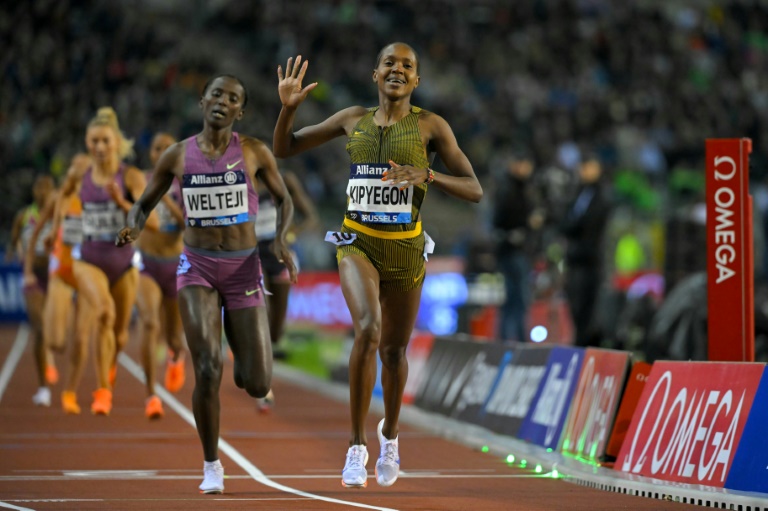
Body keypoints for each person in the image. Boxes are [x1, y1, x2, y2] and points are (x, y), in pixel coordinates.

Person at [273, 44, 482, 488]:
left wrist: (427, 175)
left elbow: (474, 188)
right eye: (390, 63)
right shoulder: (352, 118)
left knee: (393, 351)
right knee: (367, 330)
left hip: (406, 249)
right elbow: (285, 148)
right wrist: (288, 109)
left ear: (417, 81)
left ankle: (389, 435)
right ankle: (356, 446)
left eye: (408, 65)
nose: (398, 70)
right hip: (357, 242)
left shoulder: (430, 126)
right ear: (375, 74)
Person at [117, 74, 296, 495]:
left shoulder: (253, 151)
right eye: (216, 93)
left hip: (243, 270)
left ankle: (242, 350)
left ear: (240, 111)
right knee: (208, 366)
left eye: (232, 98)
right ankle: (212, 464)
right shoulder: (178, 157)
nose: (222, 101)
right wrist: (133, 227)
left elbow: (285, 199)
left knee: (256, 381)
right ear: (203, 101)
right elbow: (143, 204)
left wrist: (283, 240)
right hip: (196, 268)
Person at [58, 107, 157, 416]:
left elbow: (148, 222)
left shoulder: (130, 176)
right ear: (87, 142)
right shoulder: (80, 173)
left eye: (104, 141)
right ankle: (103, 391)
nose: (98, 148)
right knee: (103, 312)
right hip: (88, 260)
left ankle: (108, 368)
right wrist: (59, 227)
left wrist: (120, 202)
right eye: (93, 141)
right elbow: (63, 196)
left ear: (117, 143)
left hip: (124, 263)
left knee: (120, 333)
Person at [23, 154, 95, 414]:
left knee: (81, 336)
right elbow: (32, 240)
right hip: (59, 271)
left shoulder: (98, 198)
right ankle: (48, 369)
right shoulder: (59, 198)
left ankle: (69, 392)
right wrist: (29, 270)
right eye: (77, 169)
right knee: (53, 339)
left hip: (86, 272)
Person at [253, 168, 319, 412]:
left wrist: (289, 235)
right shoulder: (241, 181)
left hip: (281, 254)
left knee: (276, 328)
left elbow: (310, 216)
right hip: (253, 254)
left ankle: (261, 356)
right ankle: (263, 385)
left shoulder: (286, 180)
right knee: (260, 311)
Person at [135, 132, 187, 420]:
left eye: (169, 148)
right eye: (158, 148)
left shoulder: (187, 182)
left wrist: (165, 201)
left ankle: (176, 355)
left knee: (174, 338)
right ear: (152, 154)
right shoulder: (140, 180)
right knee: (149, 321)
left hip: (175, 263)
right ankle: (150, 395)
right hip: (147, 262)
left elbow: (185, 225)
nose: (163, 152)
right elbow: (134, 213)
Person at [9, 174, 57, 406]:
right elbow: (14, 237)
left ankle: (50, 355)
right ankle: (43, 388)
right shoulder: (24, 216)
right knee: (39, 328)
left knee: (57, 333)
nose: (42, 193)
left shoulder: (60, 214)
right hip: (33, 276)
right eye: (39, 189)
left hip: (56, 276)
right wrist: (14, 250)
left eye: (47, 189)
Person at [491, 151, 544, 343]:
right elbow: (502, 219)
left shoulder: (520, 188)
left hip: (514, 251)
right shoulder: (512, 189)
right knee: (518, 298)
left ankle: (507, 339)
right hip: (513, 252)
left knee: (513, 298)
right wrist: (528, 224)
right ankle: (517, 340)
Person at [561, 153, 611, 347]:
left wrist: (574, 227)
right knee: (575, 305)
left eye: (588, 166)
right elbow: (566, 222)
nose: (583, 171)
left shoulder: (602, 196)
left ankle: (585, 347)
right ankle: (580, 344)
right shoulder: (578, 194)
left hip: (590, 260)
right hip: (575, 260)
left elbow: (588, 225)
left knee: (587, 308)